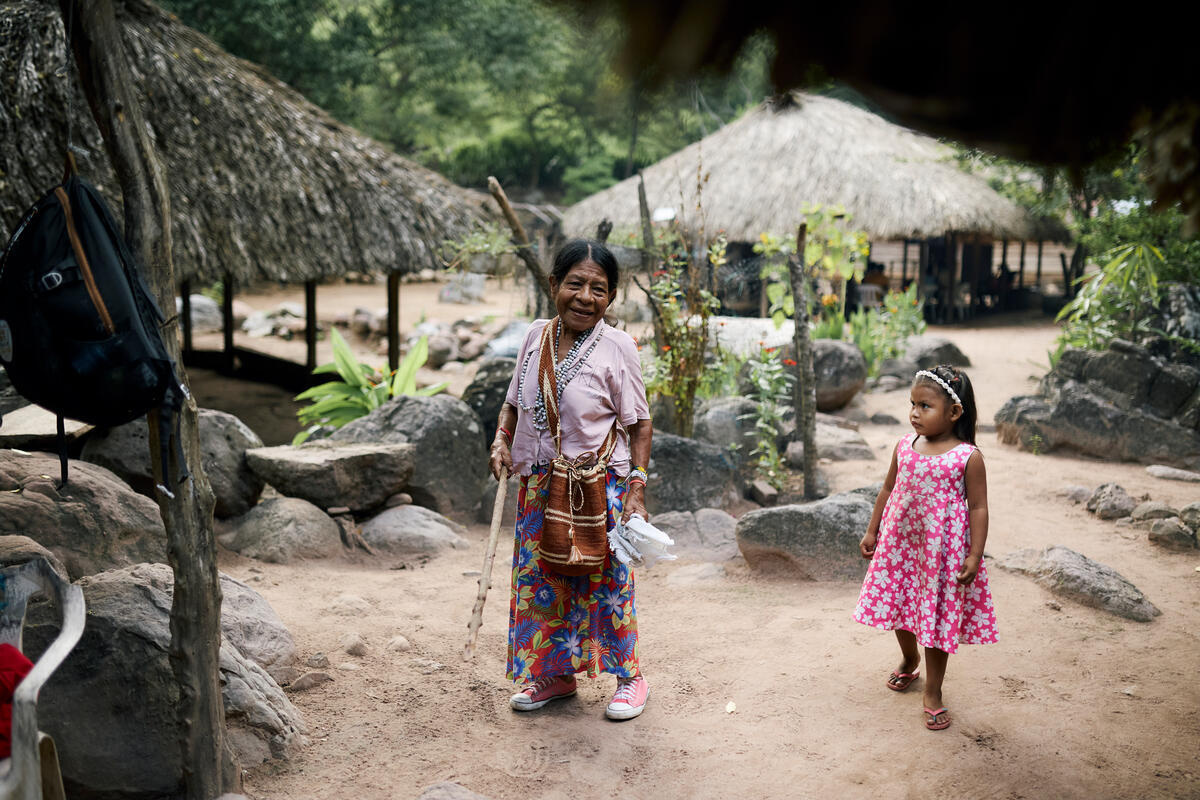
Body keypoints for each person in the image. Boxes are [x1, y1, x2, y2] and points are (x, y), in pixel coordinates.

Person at [488, 239, 653, 721]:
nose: (585, 297)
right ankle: (556, 674)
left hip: (599, 486)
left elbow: (640, 422)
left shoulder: (619, 347)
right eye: (575, 284)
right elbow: (514, 402)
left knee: (608, 581)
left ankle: (630, 678)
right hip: (540, 485)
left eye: (598, 289)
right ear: (553, 285)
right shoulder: (535, 337)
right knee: (545, 580)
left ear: (612, 298)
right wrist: (502, 440)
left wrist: (637, 492)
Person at [852, 364, 997, 731]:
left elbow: (979, 508)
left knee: (934, 620)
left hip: (940, 555)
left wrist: (974, 555)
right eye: (912, 404)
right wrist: (873, 531)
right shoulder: (904, 445)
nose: (915, 413)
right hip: (900, 548)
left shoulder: (967, 457)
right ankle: (908, 657)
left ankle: (933, 691)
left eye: (925, 406)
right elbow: (887, 489)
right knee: (899, 609)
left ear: (954, 412)